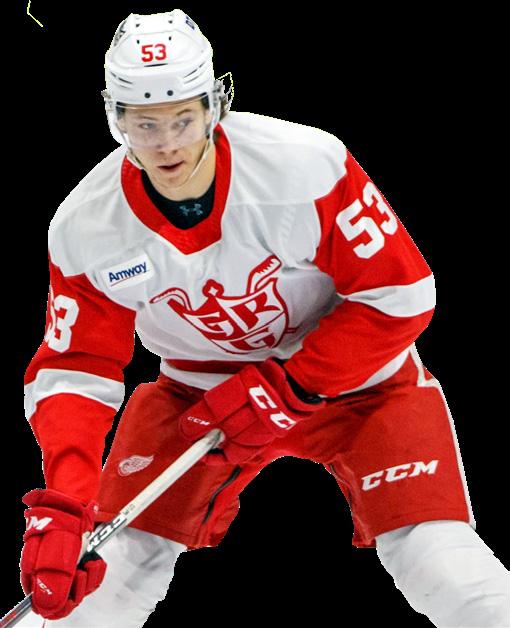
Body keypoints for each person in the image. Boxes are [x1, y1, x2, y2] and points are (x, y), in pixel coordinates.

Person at [17, 9, 510, 628]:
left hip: (358, 382)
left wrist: (294, 382)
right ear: (115, 117)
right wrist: (66, 503)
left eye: (182, 118)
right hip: (200, 398)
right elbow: (75, 369)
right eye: (145, 123)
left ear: (215, 103)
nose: (166, 143)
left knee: (443, 564)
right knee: (106, 579)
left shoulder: (306, 166)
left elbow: (400, 294)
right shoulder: (85, 227)